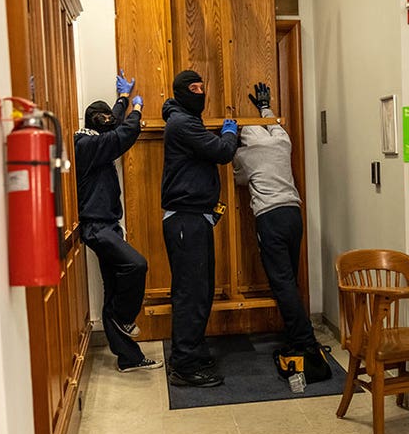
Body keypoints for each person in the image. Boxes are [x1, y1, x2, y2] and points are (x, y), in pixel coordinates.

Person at [75, 70, 162, 372]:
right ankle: (125, 318)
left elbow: (111, 123)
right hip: (97, 227)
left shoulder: (94, 138)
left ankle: (129, 358)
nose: (110, 120)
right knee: (136, 265)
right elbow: (122, 134)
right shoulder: (87, 145)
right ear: (97, 122)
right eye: (106, 118)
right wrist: (137, 110)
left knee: (112, 289)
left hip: (108, 224)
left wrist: (123, 99)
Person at [161, 70, 240, 387]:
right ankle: (184, 365)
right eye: (193, 88)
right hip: (186, 220)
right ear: (181, 92)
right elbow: (222, 152)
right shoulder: (183, 123)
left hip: (193, 218)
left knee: (199, 291)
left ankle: (191, 352)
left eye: (202, 87)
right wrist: (230, 133)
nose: (200, 92)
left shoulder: (184, 120)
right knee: (191, 294)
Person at [233, 82, 320, 356]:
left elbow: (238, 179)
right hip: (293, 213)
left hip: (270, 217)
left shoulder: (246, 155)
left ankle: (303, 340)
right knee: (290, 280)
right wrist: (264, 107)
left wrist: (232, 142)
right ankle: (297, 334)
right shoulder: (282, 143)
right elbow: (275, 126)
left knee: (281, 282)